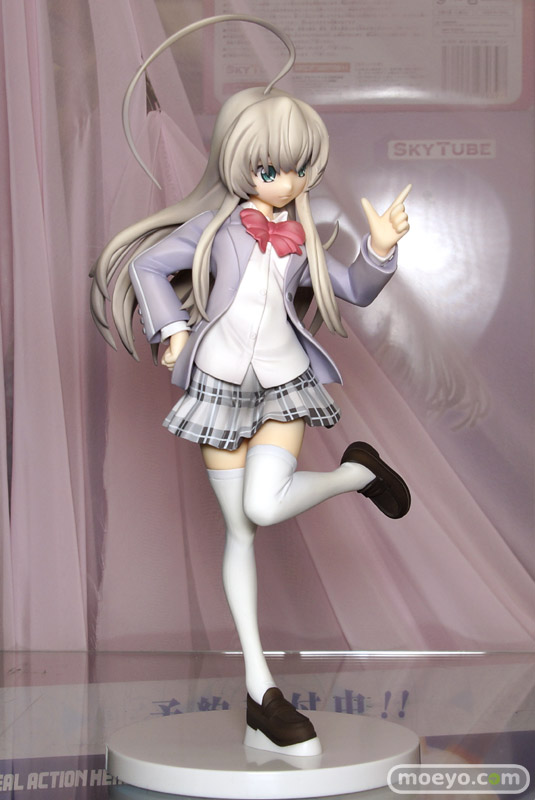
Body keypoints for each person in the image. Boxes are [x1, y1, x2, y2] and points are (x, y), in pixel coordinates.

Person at [91, 22, 411, 758]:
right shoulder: (215, 229)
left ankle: (357, 473)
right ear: (239, 164)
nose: (286, 183)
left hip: (283, 384)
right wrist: (172, 329)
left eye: (297, 170)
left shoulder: (301, 239)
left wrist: (380, 249)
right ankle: (261, 693)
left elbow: (355, 289)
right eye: (271, 168)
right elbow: (145, 267)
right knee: (240, 530)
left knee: (262, 508)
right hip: (217, 384)